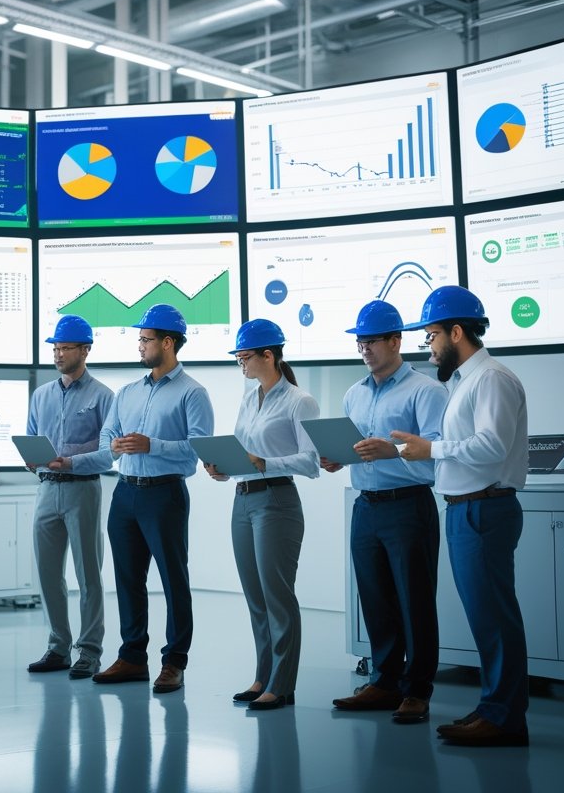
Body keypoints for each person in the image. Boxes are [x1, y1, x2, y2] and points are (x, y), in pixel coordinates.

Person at [392, 286, 530, 747]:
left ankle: (505, 717)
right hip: (465, 509)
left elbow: (491, 446)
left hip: (484, 510)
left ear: (456, 331)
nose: (428, 348)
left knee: (494, 617)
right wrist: (415, 451)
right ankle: (495, 707)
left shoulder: (490, 379)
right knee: (484, 617)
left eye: (431, 336)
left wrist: (431, 448)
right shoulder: (463, 384)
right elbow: (460, 452)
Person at [321, 301, 447, 724]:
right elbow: (360, 450)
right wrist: (339, 458)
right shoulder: (354, 394)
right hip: (366, 507)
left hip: (408, 505)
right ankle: (384, 681)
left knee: (415, 601)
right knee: (374, 598)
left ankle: (417, 691)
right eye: (360, 342)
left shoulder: (426, 391)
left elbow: (436, 457)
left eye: (372, 340)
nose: (365, 349)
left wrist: (390, 450)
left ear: (396, 340)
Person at [92, 304, 214, 693]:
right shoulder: (126, 392)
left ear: (167, 342)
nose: (139, 345)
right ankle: (131, 657)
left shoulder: (193, 393)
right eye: (139, 338)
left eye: (145, 339)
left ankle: (174, 663)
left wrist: (151, 445)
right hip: (125, 493)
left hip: (165, 495)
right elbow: (106, 437)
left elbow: (197, 451)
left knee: (173, 580)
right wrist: (114, 444)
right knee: (128, 580)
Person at [204, 318, 318, 711]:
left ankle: (282, 685)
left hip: (276, 502)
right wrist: (225, 466)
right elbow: (246, 454)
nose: (242, 365)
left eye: (245, 357)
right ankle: (263, 675)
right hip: (244, 499)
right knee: (255, 597)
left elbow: (311, 461)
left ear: (268, 355)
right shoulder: (249, 397)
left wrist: (262, 462)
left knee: (277, 597)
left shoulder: (299, 401)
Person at [24, 315, 114, 680]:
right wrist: (32, 460)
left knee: (88, 574)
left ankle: (89, 651)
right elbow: (32, 439)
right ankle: (58, 646)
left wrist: (72, 461)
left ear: (85, 350)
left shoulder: (104, 396)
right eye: (56, 348)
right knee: (47, 574)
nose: (58, 354)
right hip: (46, 489)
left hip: (83, 489)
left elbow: (110, 454)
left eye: (65, 348)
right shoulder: (41, 395)